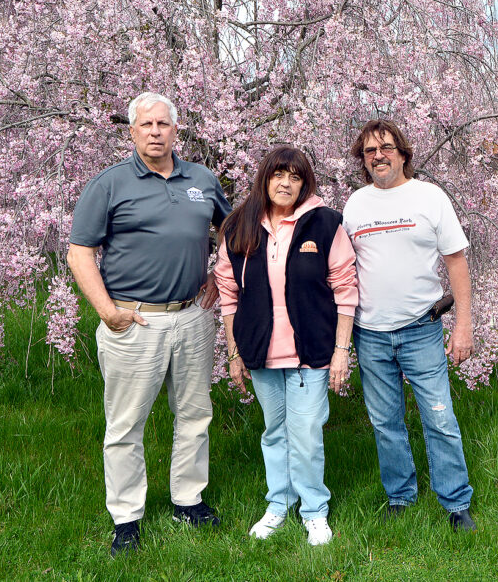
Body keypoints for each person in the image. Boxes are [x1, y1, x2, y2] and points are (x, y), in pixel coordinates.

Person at [67, 92, 231, 557]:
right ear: (133, 132)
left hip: (191, 317)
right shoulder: (110, 184)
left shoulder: (201, 179)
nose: (155, 132)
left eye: (163, 124)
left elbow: (233, 233)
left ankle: (188, 499)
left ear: (176, 129)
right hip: (133, 321)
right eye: (146, 125)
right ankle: (126, 518)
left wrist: (221, 278)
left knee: (195, 414)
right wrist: (107, 311)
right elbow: (80, 252)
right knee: (125, 424)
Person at [215, 146, 357, 546]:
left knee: (307, 432)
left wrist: (341, 351)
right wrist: (233, 351)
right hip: (260, 348)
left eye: (295, 177)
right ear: (265, 178)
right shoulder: (240, 225)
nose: (286, 183)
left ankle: (314, 511)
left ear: (304, 183)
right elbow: (228, 292)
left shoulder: (326, 224)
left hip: (310, 350)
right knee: (274, 431)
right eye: (279, 174)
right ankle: (278, 504)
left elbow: (346, 287)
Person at [342, 119, 477, 531]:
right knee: (385, 422)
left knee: (439, 417)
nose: (378, 156)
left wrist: (464, 325)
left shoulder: (429, 197)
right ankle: (400, 496)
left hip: (421, 329)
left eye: (386, 147)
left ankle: (456, 503)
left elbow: (456, 261)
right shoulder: (355, 205)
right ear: (363, 161)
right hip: (370, 334)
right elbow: (343, 270)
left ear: (403, 153)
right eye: (369, 151)